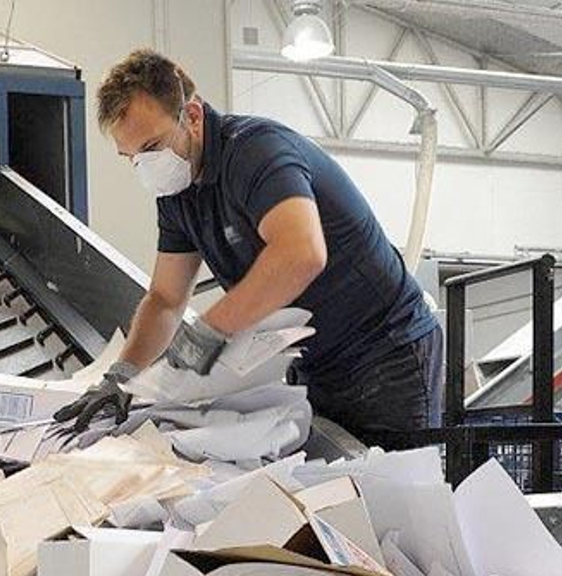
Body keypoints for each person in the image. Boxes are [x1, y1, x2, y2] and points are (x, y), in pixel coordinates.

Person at [54, 48, 444, 442]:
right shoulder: (176, 192)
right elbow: (166, 299)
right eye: (131, 157)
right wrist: (122, 376)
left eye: (151, 148)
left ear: (191, 116)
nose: (144, 165)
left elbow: (301, 254)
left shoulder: (257, 152)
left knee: (394, 488)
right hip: (314, 363)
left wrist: (208, 332)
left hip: (386, 352)